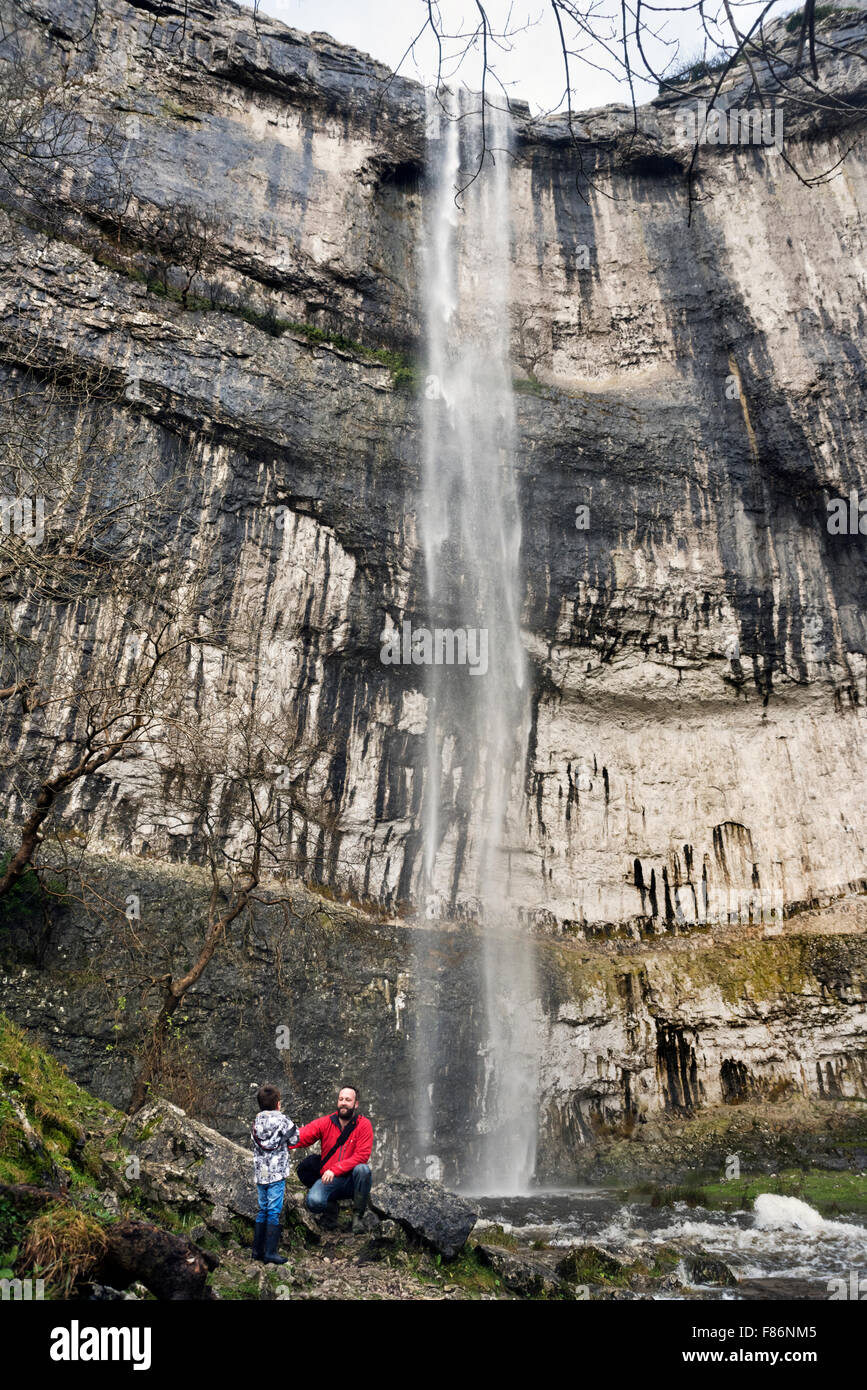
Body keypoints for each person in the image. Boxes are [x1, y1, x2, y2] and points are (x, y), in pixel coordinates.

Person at [292, 1084, 373, 1233]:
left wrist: (335, 1170)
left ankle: (357, 1217)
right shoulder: (327, 1122)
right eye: (341, 1099)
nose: (343, 1102)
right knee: (313, 1201)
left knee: (363, 1170)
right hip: (330, 1180)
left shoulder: (364, 1125)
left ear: (355, 1104)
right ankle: (331, 1208)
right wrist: (280, 1139)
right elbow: (304, 1135)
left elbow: (361, 1156)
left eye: (348, 1100)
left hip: (351, 1181)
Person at [250, 1083, 300, 1264]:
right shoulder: (283, 1121)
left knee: (263, 1209)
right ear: (278, 1103)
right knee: (273, 1211)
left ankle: (257, 1251)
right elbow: (296, 1138)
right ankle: (270, 1252)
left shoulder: (256, 1122)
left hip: (261, 1174)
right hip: (277, 1173)